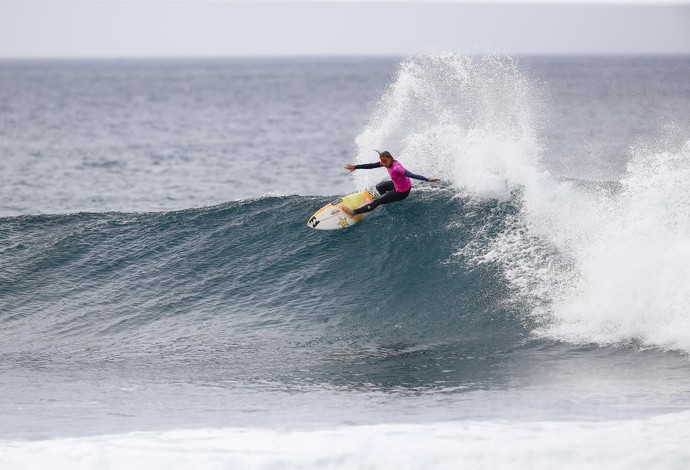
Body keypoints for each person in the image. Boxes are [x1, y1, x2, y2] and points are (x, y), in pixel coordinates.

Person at [342, 150, 440, 217]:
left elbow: (412, 175)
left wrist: (428, 179)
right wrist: (356, 167)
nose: (383, 164)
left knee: (377, 201)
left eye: (385, 161)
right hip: (397, 184)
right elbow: (372, 165)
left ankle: (353, 212)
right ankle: (385, 199)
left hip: (402, 192)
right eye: (382, 161)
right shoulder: (386, 162)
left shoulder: (397, 168)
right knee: (379, 187)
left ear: (390, 158)